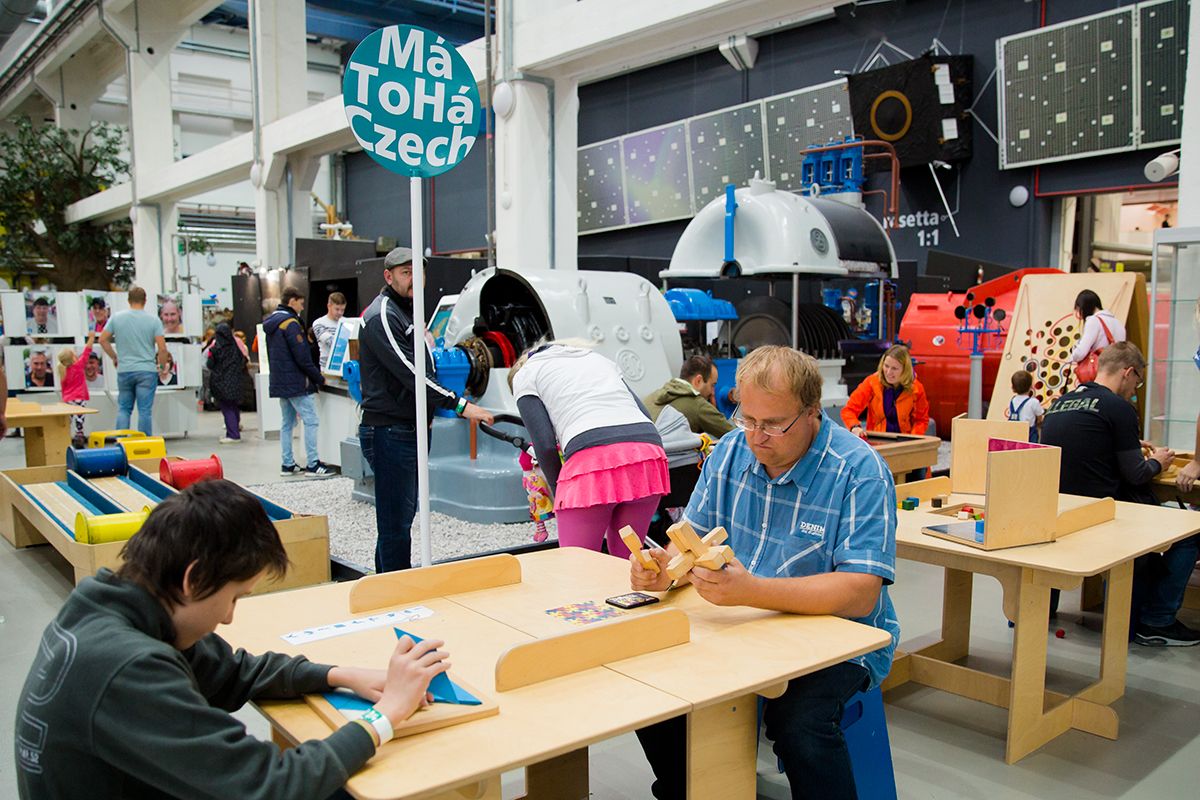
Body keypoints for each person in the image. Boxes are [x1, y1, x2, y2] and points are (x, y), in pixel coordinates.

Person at [14, 479, 451, 800]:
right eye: (234, 597)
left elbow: (232, 671)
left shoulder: (116, 604)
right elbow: (271, 786)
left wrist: (341, 674)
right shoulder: (127, 668)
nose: (228, 617)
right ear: (194, 578)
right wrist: (386, 714)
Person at [631, 346, 899, 800]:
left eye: (774, 424)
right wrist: (664, 571)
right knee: (653, 685)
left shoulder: (859, 472)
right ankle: (690, 789)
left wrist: (752, 590)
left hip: (838, 638)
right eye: (747, 419)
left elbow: (859, 594)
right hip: (743, 623)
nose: (757, 436)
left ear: (813, 412)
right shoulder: (730, 452)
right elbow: (690, 539)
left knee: (799, 723)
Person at [1041, 342, 1199, 646]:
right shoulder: (1119, 408)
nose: (1135, 390)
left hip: (1061, 514)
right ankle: (1158, 619)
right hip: (1106, 517)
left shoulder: (1059, 404)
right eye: (1137, 382)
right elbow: (1136, 474)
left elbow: (1087, 445)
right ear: (1128, 373)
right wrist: (1159, 461)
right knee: (1192, 532)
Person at [357, 247, 493, 572]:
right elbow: (412, 373)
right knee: (396, 523)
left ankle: (388, 587)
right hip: (391, 432)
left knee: (401, 517)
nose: (414, 279)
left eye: (418, 272)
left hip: (408, 429)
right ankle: (394, 594)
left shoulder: (406, 312)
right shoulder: (385, 315)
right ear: (388, 277)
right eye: (405, 273)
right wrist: (460, 405)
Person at [508, 340, 669, 560]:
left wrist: (560, 492)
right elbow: (644, 415)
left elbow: (544, 445)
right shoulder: (599, 360)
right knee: (628, 559)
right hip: (647, 455)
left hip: (590, 459)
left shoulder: (525, 374)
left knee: (578, 566)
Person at [263, 286, 333, 477]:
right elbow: (302, 357)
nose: (302, 306)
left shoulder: (272, 323)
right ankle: (313, 464)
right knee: (311, 421)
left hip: (280, 381)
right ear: (292, 301)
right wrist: (318, 378)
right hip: (296, 382)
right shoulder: (291, 324)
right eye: (301, 302)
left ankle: (287, 464)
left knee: (287, 423)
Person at [101, 286, 170, 435]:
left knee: (124, 409)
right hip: (146, 370)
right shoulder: (153, 320)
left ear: (128, 300)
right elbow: (162, 348)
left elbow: (102, 340)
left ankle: (121, 442)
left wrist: (114, 356)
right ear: (145, 301)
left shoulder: (117, 318)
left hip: (125, 369)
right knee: (145, 411)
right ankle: (144, 443)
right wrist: (162, 365)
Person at [841, 344, 930, 436]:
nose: (888, 372)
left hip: (904, 441)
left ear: (905, 370)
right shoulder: (871, 382)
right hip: (876, 440)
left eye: (894, 368)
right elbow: (849, 410)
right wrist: (854, 427)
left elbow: (921, 420)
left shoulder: (916, 388)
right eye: (886, 366)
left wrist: (913, 439)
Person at [644, 354, 734, 438]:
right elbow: (733, 434)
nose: (713, 392)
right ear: (698, 381)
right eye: (712, 385)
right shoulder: (698, 405)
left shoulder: (650, 398)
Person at [57, 329, 98, 448]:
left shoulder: (62, 371)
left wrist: (64, 400)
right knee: (79, 421)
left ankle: (64, 439)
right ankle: (79, 438)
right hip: (79, 398)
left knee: (69, 421)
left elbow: (63, 388)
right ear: (73, 357)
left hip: (68, 399)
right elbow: (87, 351)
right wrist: (91, 338)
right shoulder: (78, 367)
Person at [207, 323, 247, 444]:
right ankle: (235, 429)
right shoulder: (235, 348)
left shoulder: (215, 349)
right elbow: (243, 361)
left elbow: (210, 365)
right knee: (234, 406)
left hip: (221, 383)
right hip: (236, 381)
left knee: (227, 408)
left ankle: (233, 434)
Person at [1068, 289, 1125, 373]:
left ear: (1084, 307)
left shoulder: (1093, 321)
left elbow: (1081, 353)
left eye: (1078, 309)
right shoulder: (1118, 322)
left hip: (1101, 372)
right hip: (1117, 372)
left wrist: (1072, 355)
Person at [1004, 369, 1043, 442]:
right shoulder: (1034, 402)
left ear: (1013, 388)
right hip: (1029, 433)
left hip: (1014, 432)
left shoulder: (1013, 400)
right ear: (1031, 386)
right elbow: (1039, 418)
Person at [312, 292, 347, 370]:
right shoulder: (318, 323)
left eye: (343, 310)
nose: (340, 313)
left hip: (345, 367)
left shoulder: (347, 322)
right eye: (337, 309)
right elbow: (331, 342)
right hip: (327, 368)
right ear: (329, 306)